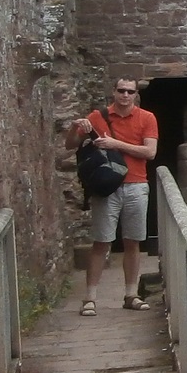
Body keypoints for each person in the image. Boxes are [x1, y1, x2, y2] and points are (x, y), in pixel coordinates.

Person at [67, 79, 158, 316]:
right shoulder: (98, 116)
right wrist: (75, 127)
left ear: (136, 94)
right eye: (121, 90)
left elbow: (150, 152)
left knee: (133, 241)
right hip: (107, 186)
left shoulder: (147, 118)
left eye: (130, 91)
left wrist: (115, 144)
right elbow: (71, 144)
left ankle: (131, 294)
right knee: (101, 242)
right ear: (113, 92)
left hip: (136, 184)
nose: (125, 95)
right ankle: (90, 298)